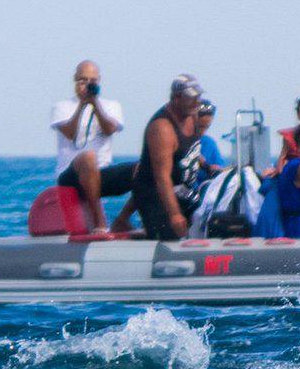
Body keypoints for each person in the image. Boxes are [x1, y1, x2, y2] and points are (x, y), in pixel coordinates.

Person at [51, 60, 133, 231]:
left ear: (99, 81)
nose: (87, 85)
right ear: (74, 80)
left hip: (101, 173)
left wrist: (95, 104)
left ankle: (124, 220)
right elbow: (69, 133)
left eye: (92, 81)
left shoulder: (111, 106)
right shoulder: (62, 106)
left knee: (144, 168)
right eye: (82, 80)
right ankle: (100, 223)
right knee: (88, 157)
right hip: (70, 175)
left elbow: (110, 129)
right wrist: (82, 104)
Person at [131, 74, 206, 240]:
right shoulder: (162, 128)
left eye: (198, 97)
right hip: (155, 193)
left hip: (181, 189)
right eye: (191, 98)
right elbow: (162, 178)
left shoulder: (192, 115)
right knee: (171, 235)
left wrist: (207, 166)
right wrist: (175, 215)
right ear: (176, 98)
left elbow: (189, 150)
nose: (197, 102)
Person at [196, 101, 225, 178]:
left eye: (206, 127)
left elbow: (219, 168)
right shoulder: (180, 141)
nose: (203, 131)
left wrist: (214, 168)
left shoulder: (209, 143)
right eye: (200, 127)